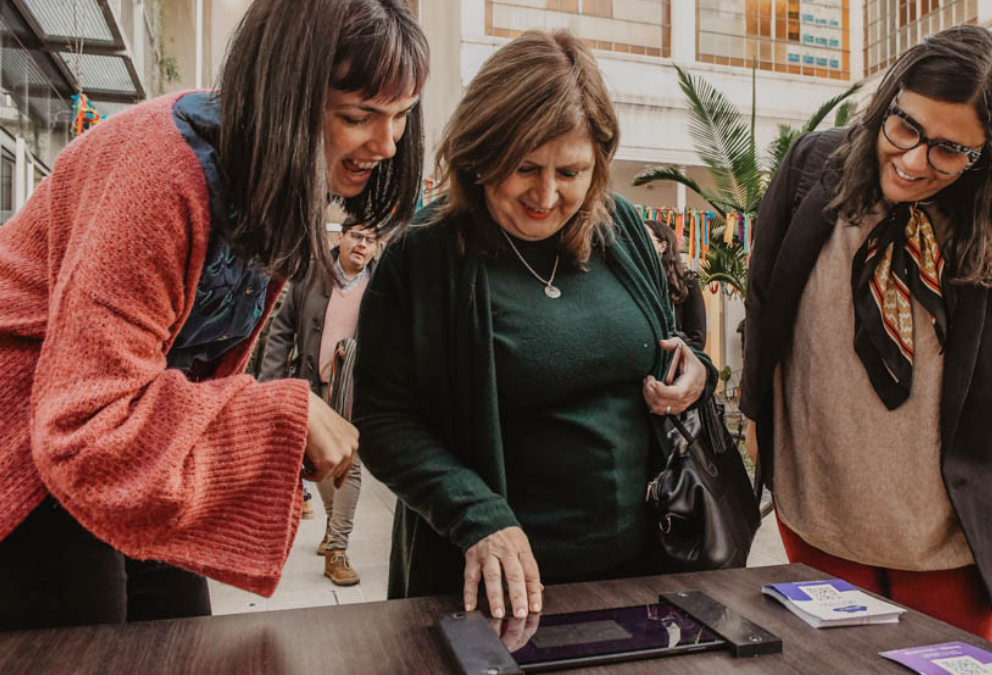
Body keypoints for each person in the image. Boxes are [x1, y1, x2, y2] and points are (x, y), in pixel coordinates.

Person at [0, 0, 426, 630]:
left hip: (142, 443)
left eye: (402, 116)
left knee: (183, 638)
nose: (386, 144)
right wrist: (286, 411)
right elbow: (82, 425)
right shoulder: (158, 171)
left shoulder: (274, 180)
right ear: (284, 96)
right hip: (32, 451)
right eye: (358, 116)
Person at [740, 25, 992, 643]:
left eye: (950, 151)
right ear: (887, 102)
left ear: (990, 153)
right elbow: (766, 302)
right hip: (820, 512)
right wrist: (752, 416)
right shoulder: (811, 167)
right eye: (904, 128)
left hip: (954, 539)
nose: (911, 161)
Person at [354, 29, 716, 621]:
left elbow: (672, 344)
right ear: (479, 154)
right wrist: (477, 516)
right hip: (487, 589)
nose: (546, 196)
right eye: (525, 168)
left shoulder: (621, 228)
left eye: (571, 173)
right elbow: (382, 418)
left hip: (640, 576)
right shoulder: (424, 255)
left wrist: (693, 372)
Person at [260, 220, 382, 587]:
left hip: (357, 392)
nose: (363, 245)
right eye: (357, 236)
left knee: (350, 465)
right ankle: (332, 527)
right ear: (340, 238)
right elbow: (281, 330)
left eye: (371, 240)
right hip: (312, 388)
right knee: (321, 463)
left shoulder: (383, 286)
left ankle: (337, 549)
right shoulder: (311, 276)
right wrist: (271, 384)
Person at [644, 219, 707, 350]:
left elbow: (697, 339)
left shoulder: (687, 282)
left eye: (646, 237)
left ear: (663, 246)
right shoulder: (637, 280)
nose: (640, 243)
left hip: (673, 362)